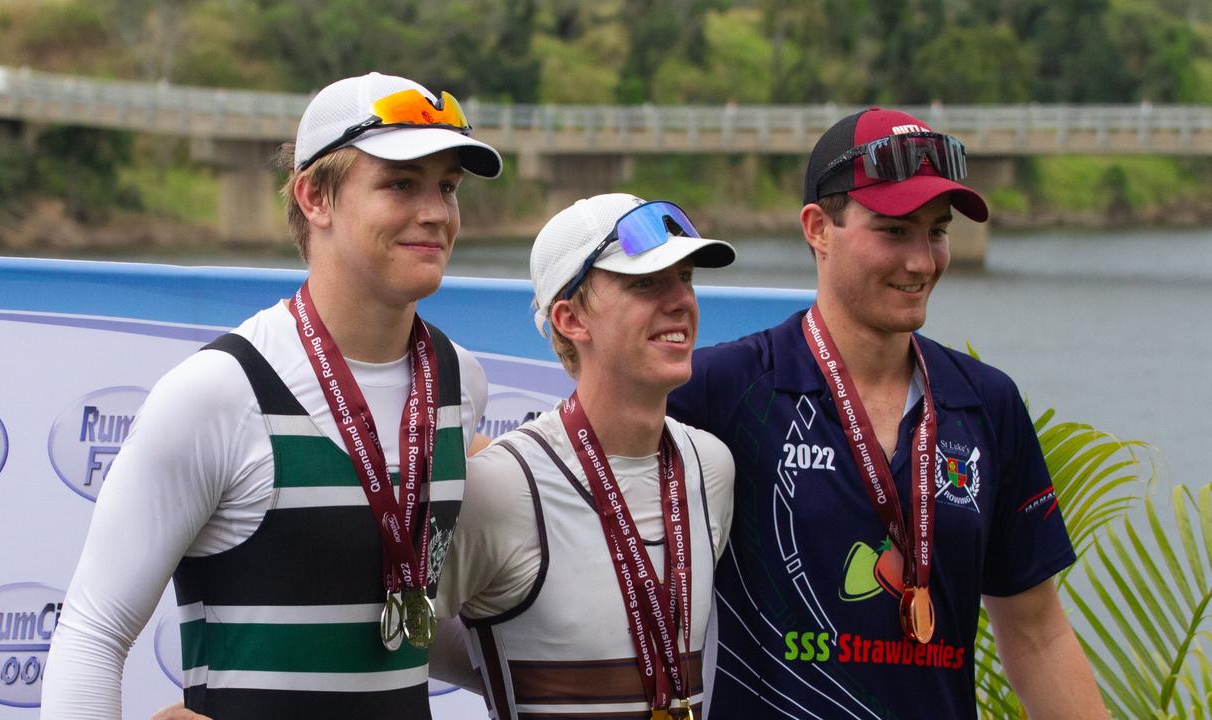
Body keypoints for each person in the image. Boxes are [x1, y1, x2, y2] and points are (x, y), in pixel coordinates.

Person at [41, 71, 502, 720]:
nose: (434, 212)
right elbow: (92, 634)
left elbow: (406, 620)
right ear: (315, 197)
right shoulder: (220, 391)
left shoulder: (459, 381)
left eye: (446, 188)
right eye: (400, 184)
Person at [668, 108, 1108, 719]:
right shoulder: (722, 390)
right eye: (895, 230)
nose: (922, 262)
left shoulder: (986, 403)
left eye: (936, 231)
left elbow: (1037, 634)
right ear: (818, 228)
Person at [433, 193, 738, 719]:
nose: (679, 301)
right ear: (570, 318)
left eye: (684, 277)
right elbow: (390, 635)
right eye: (645, 283)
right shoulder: (503, 487)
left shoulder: (710, 467)